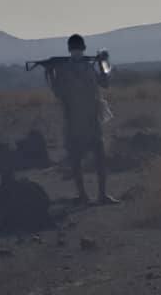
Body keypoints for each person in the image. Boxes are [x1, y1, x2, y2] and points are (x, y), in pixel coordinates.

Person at [47, 34, 117, 205]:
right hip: (75, 121)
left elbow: (105, 83)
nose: (77, 52)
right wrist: (51, 72)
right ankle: (84, 196)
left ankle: (101, 195)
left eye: (78, 49)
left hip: (91, 120)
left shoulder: (87, 67)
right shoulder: (65, 69)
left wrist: (103, 64)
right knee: (77, 161)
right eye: (75, 49)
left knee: (99, 159)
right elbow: (57, 92)